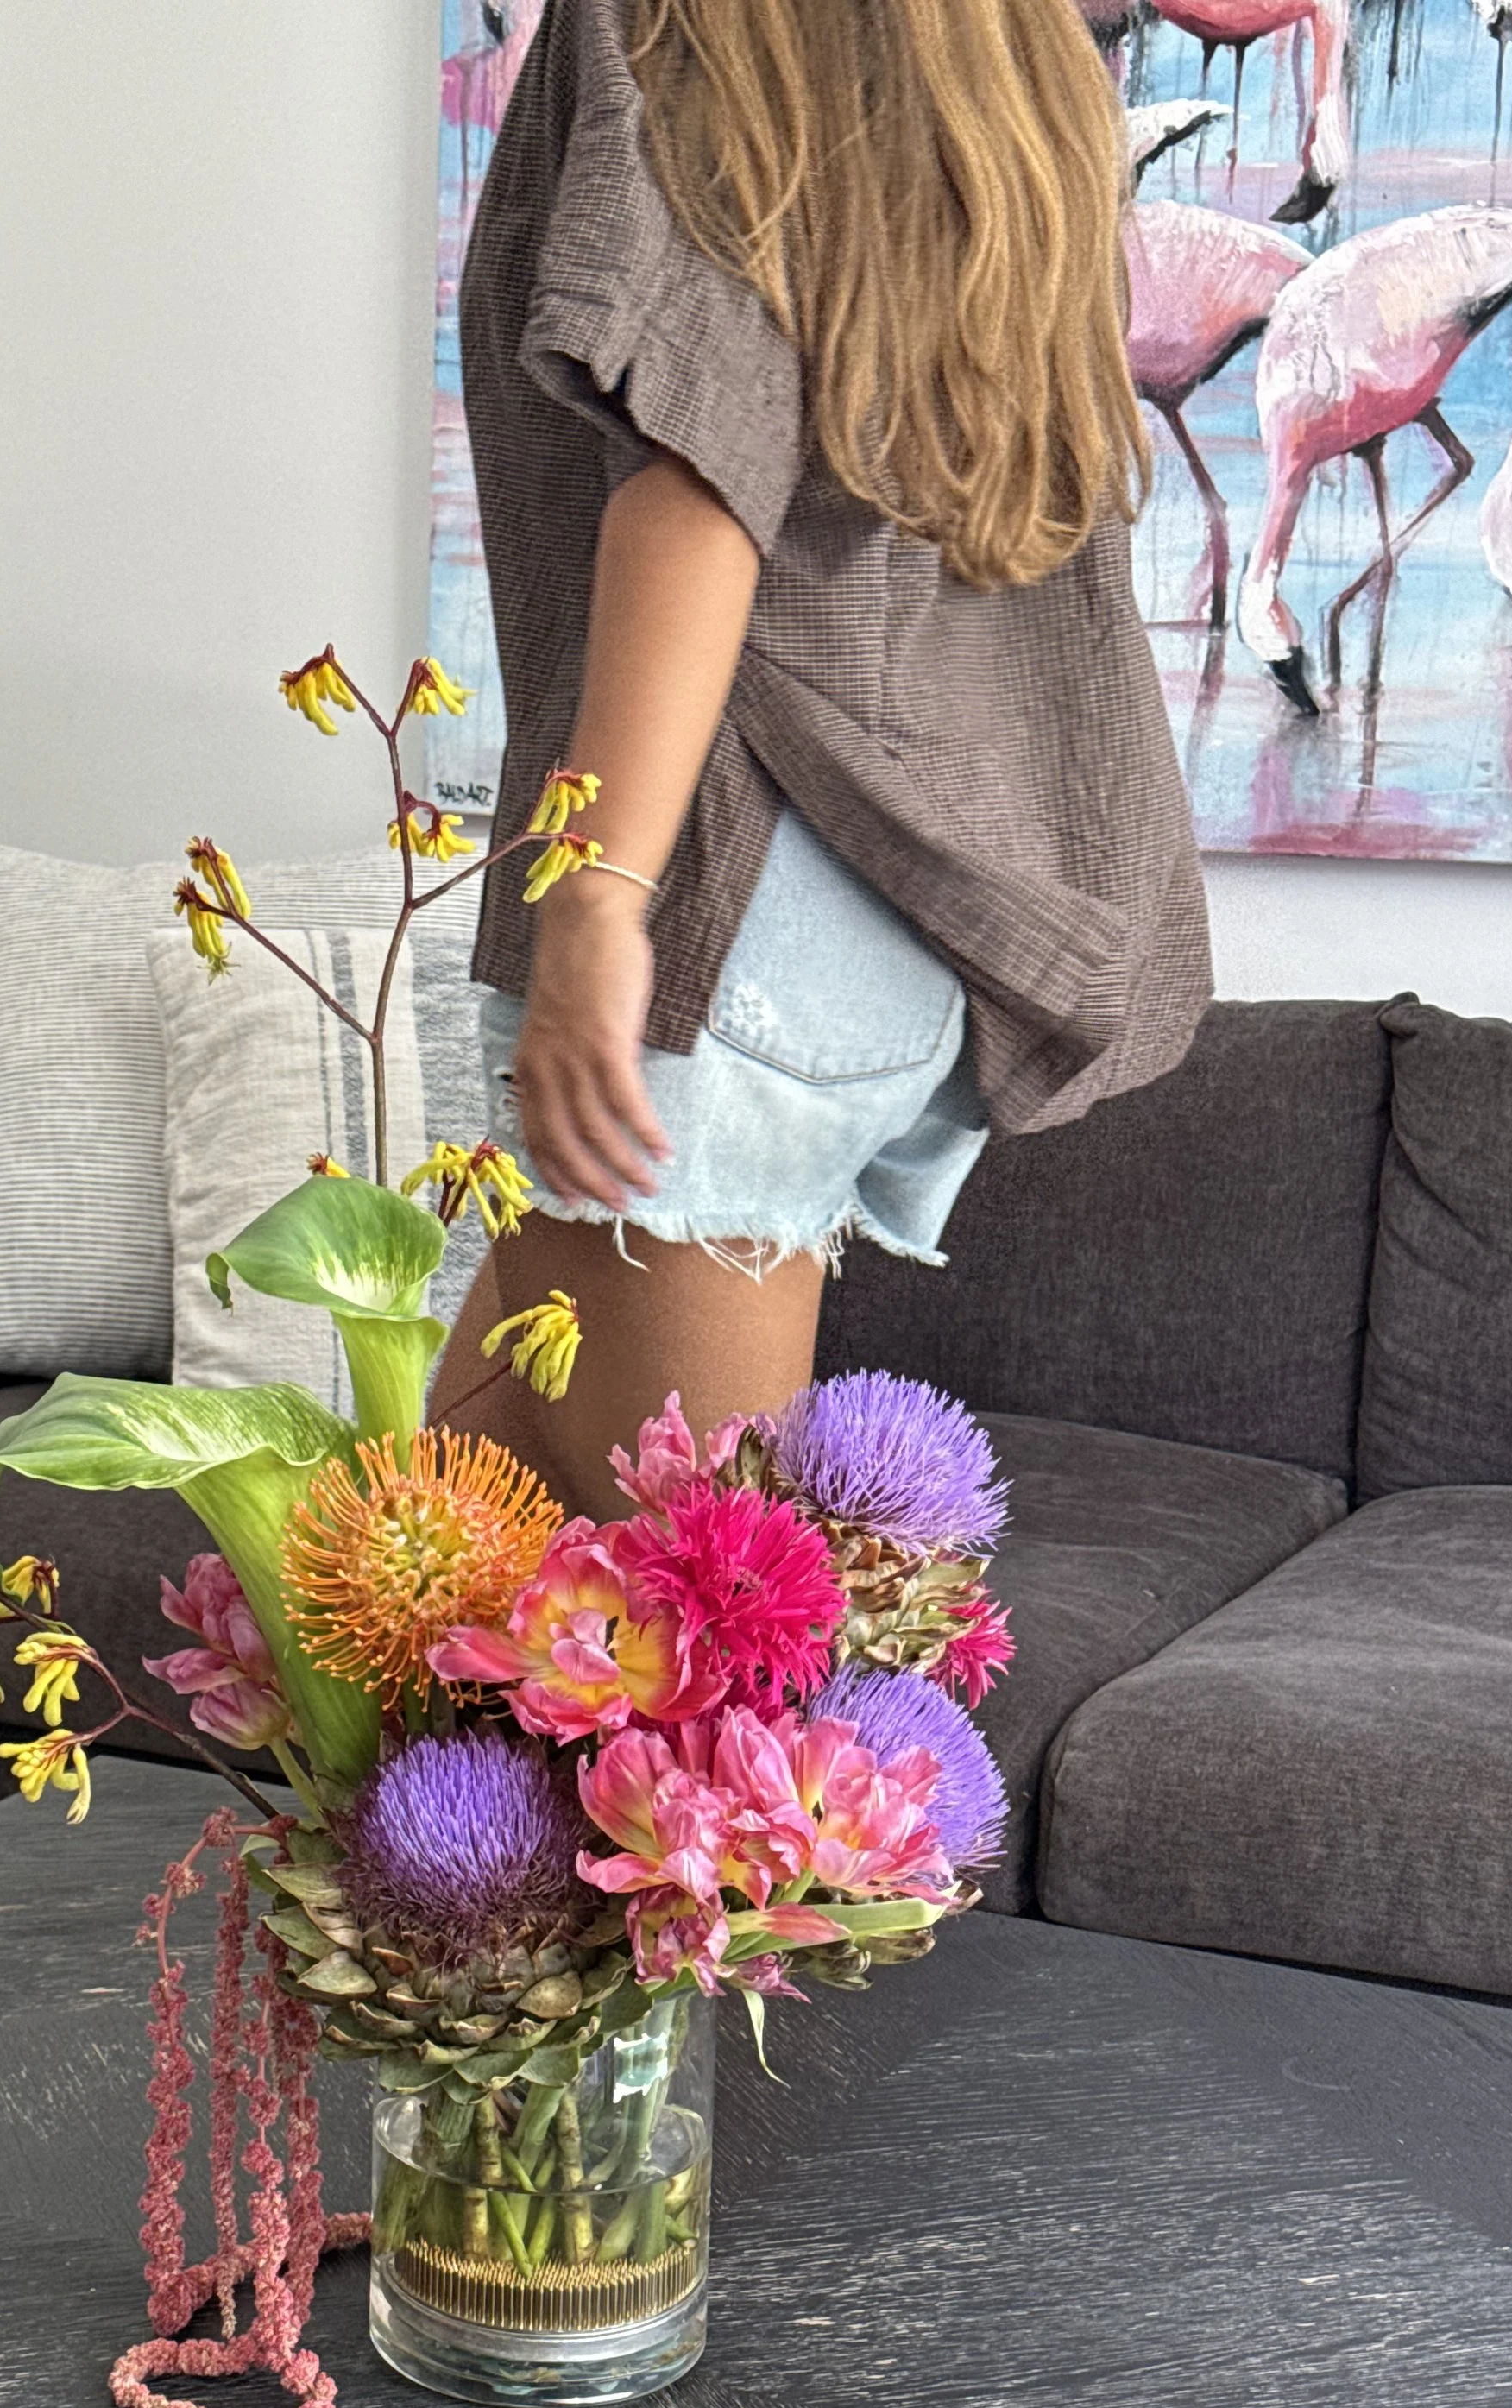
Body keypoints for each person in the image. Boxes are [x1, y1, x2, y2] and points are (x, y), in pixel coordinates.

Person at [432, 0, 1211, 1515]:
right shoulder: (1006, 43)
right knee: (455, 1567)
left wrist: (594, 899)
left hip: (721, 899)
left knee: (686, 1664)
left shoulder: (690, 17)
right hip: (882, 902)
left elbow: (701, 482)